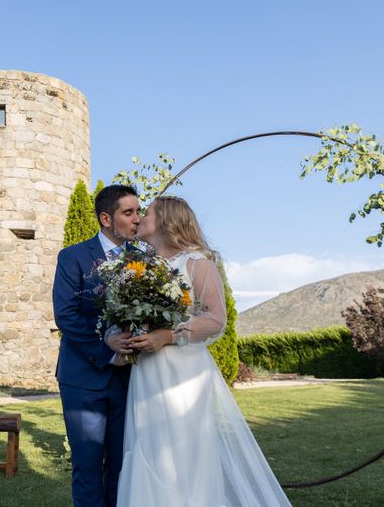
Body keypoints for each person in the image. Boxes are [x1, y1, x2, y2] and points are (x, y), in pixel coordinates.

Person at [109, 196, 291, 507]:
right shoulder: (137, 268)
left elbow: (215, 319)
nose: (139, 219)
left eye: (147, 213)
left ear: (166, 221)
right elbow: (121, 318)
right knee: (146, 448)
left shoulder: (197, 262)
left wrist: (167, 335)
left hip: (184, 376)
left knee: (184, 455)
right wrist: (119, 339)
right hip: (147, 374)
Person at [52, 184, 141, 507]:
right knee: (88, 467)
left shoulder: (144, 261)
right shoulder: (73, 257)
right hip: (83, 379)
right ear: (106, 218)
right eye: (128, 213)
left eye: (138, 211)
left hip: (130, 379)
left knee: (121, 465)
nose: (137, 219)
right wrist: (107, 350)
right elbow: (66, 315)